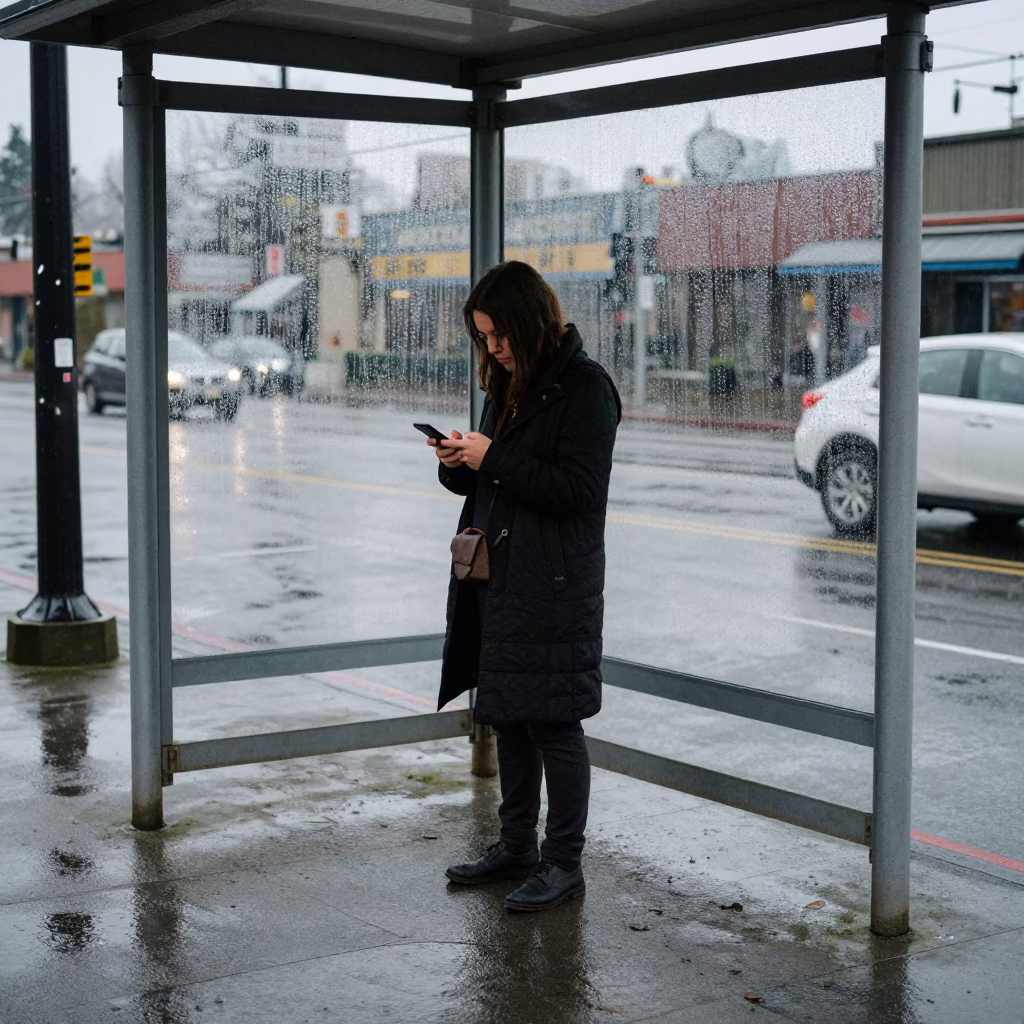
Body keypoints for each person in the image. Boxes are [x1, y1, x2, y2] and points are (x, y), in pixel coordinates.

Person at [426, 260, 621, 912]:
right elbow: (493, 482)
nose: (492, 349)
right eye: (483, 338)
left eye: (498, 335)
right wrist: (460, 463)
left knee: (554, 726)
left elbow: (580, 492)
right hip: (499, 576)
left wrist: (495, 458)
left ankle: (563, 864)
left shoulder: (586, 389)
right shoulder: (508, 385)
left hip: (554, 583)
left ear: (530, 322)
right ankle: (516, 845)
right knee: (507, 715)